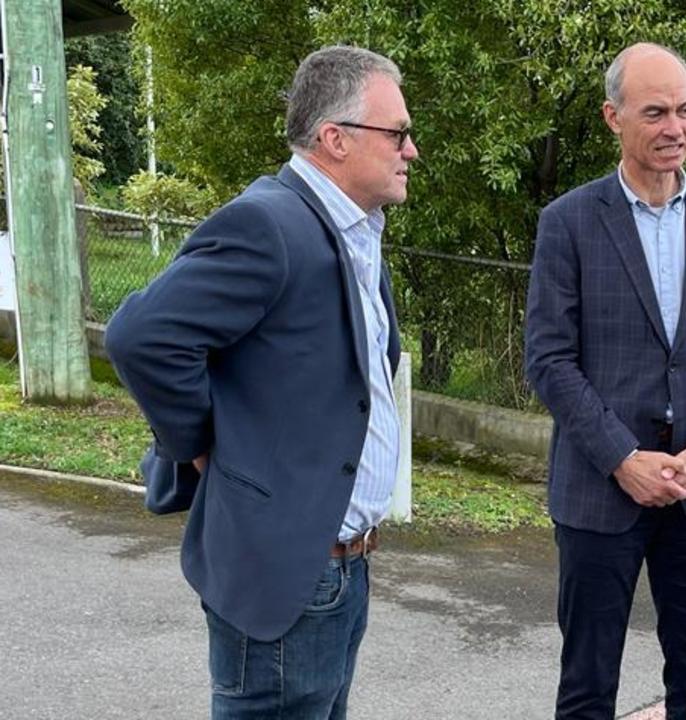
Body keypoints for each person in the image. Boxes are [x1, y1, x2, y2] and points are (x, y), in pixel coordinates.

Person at [105, 45, 416, 718]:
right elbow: (143, 336)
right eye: (397, 133)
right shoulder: (271, 225)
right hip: (288, 574)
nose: (410, 150)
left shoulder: (351, 232)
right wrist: (198, 442)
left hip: (339, 569)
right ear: (335, 138)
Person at [524, 42, 686, 720]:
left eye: (684, 110)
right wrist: (622, 459)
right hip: (601, 495)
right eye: (655, 113)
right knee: (587, 691)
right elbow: (549, 358)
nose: (675, 129)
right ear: (613, 117)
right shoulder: (568, 222)